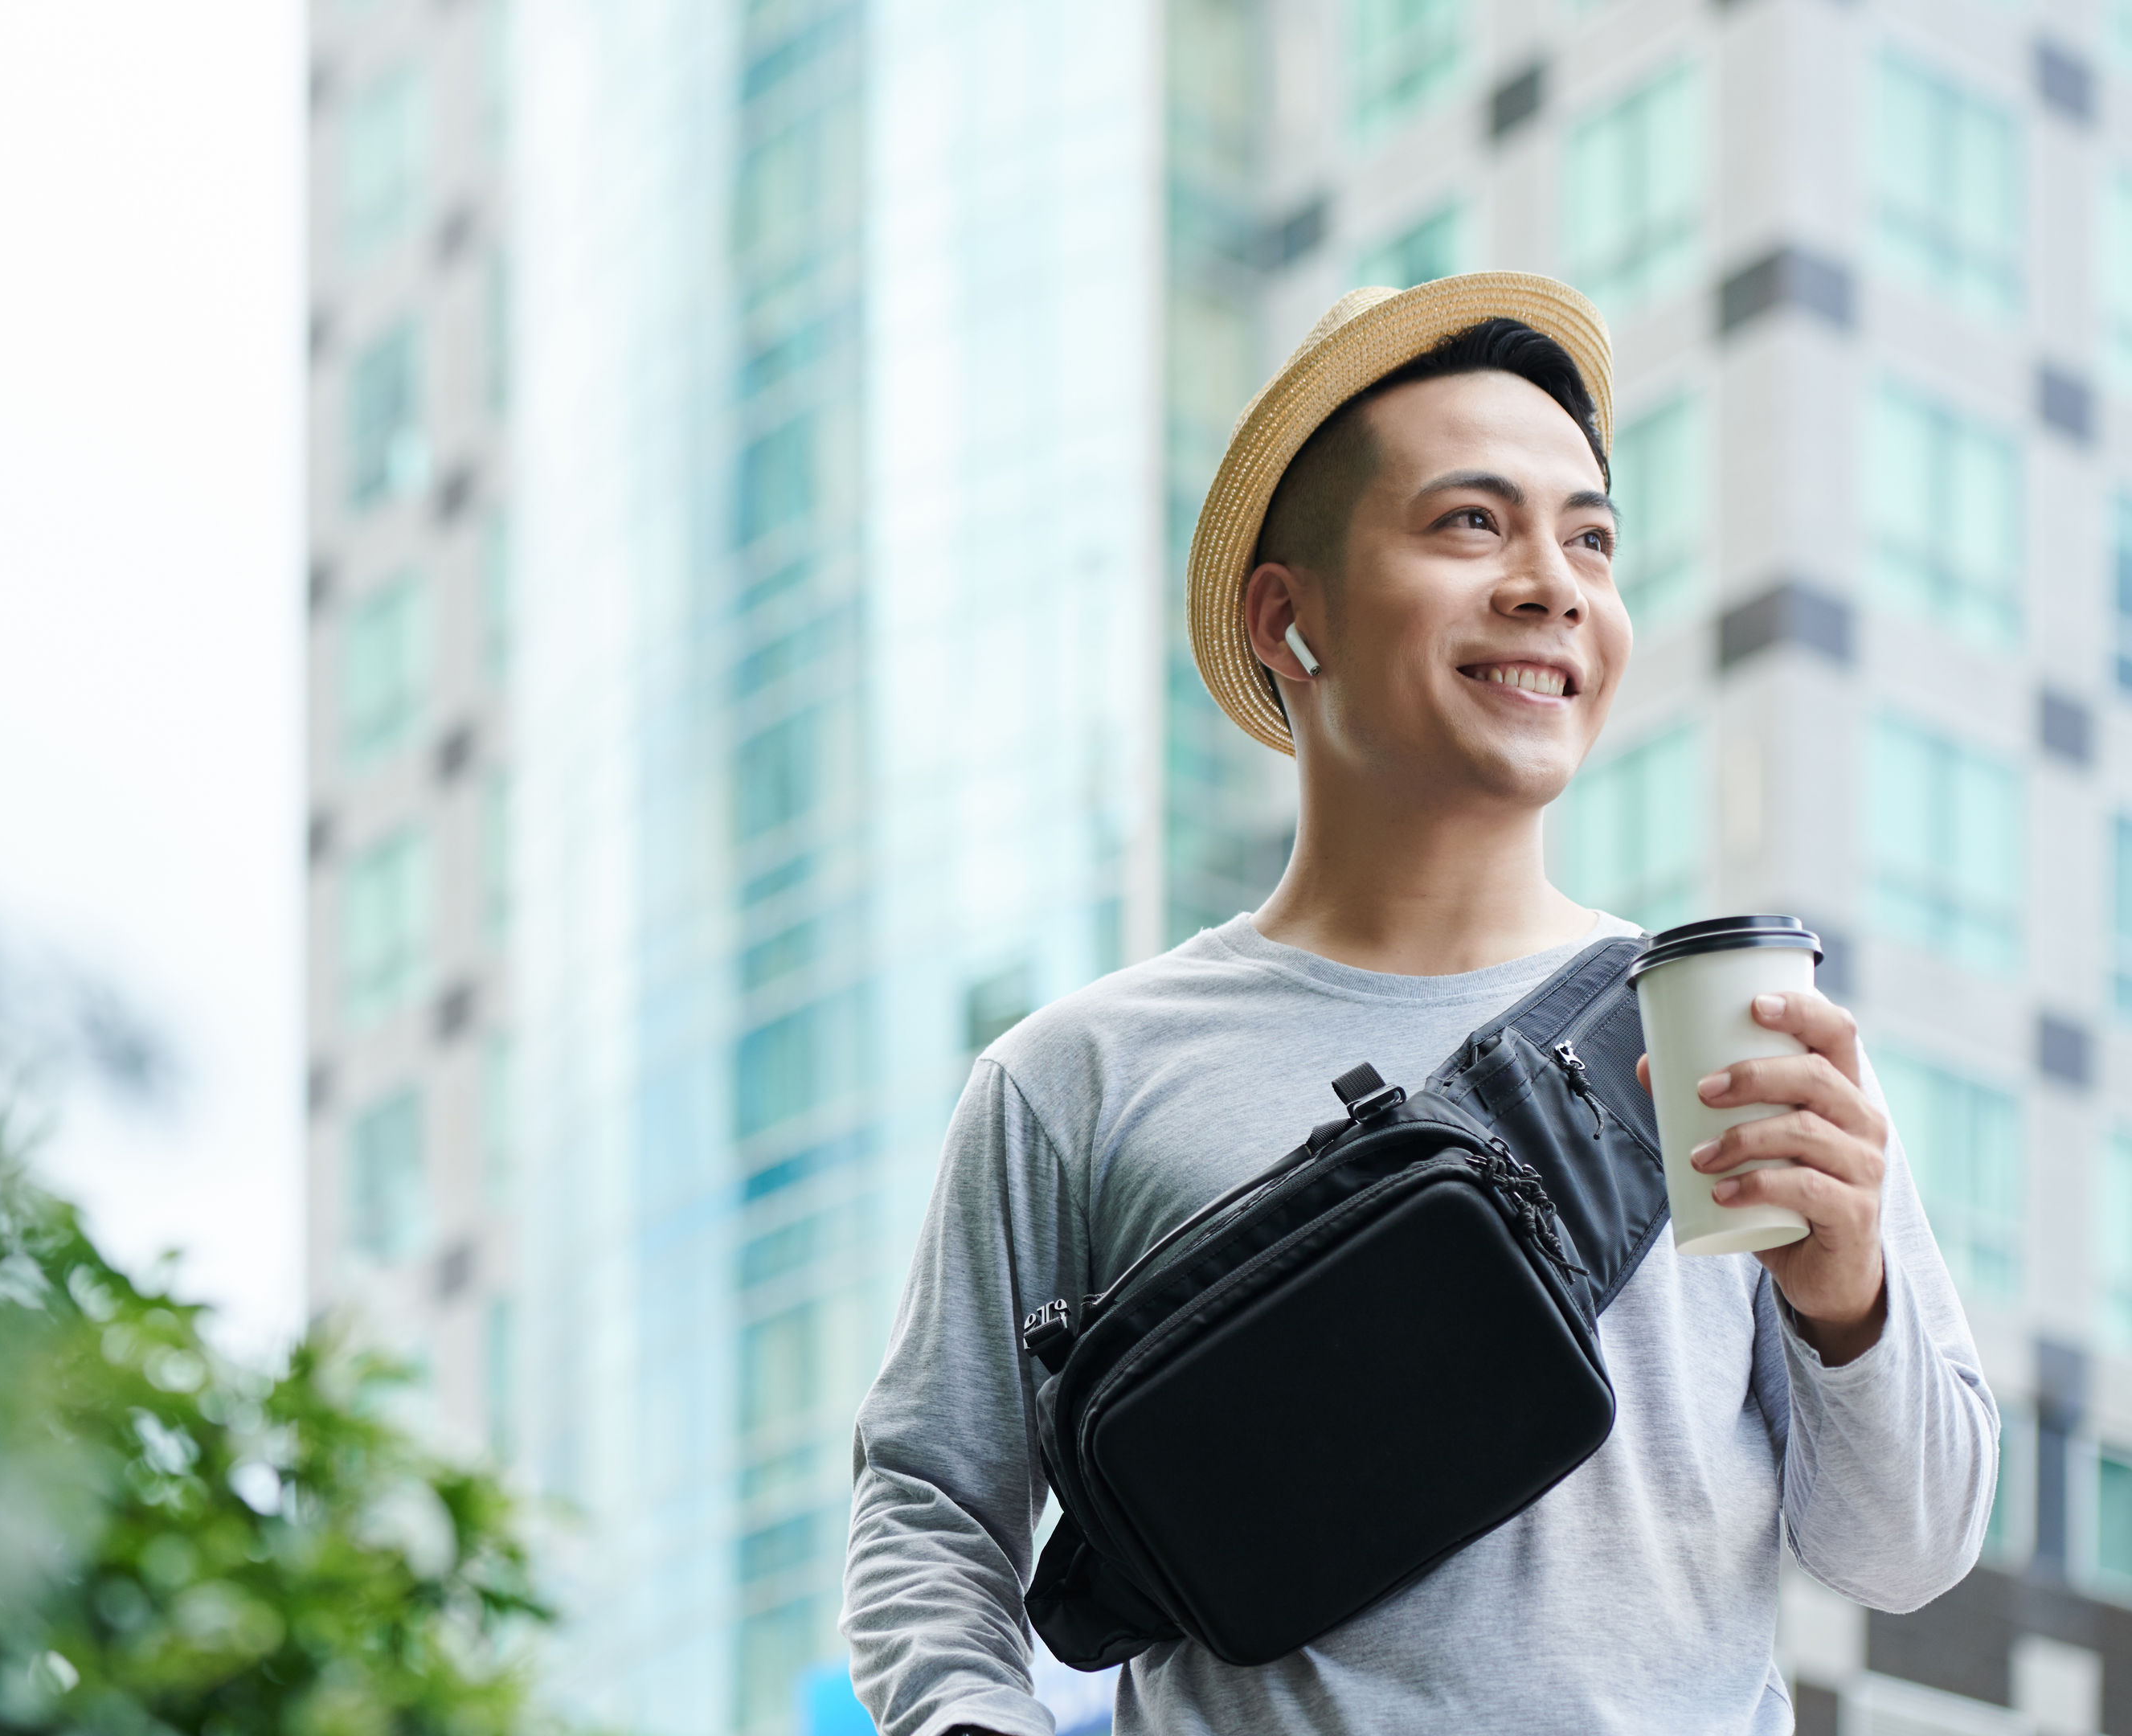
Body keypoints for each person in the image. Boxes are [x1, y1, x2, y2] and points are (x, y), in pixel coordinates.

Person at [839, 274, 1996, 1735]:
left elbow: (1908, 1552)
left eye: (1591, 537)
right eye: (1471, 522)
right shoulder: (1075, 1077)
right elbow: (932, 1512)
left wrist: (1848, 1303)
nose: (1554, 583)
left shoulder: (1732, 1031)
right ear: (1288, 617)